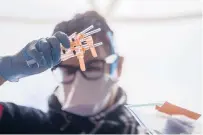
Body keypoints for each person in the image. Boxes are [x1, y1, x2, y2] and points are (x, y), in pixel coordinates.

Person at [0, 11, 139, 133]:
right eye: (68, 70)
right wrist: (4, 71)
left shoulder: (145, 130)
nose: (79, 80)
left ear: (118, 66)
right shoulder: (34, 127)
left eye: (92, 67)